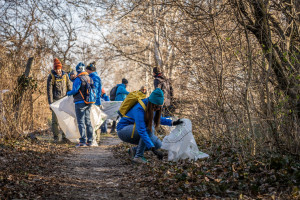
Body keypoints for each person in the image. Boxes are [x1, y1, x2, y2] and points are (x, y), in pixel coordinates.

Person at [116, 88, 183, 164]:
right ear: (152, 103)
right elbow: (142, 130)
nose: (158, 109)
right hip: (123, 130)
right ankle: (138, 157)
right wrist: (152, 149)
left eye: (159, 107)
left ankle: (134, 150)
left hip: (134, 130)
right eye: (157, 107)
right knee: (149, 129)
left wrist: (173, 122)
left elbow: (158, 119)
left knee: (158, 144)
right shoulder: (139, 108)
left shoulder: (151, 107)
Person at [67, 62, 94, 147]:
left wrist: (68, 93)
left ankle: (82, 141)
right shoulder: (89, 78)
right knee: (88, 121)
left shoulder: (78, 79)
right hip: (89, 102)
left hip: (80, 103)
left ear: (77, 70)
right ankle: (90, 141)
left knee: (81, 122)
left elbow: (75, 90)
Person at [47, 58, 72, 143]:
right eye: (56, 69)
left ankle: (65, 137)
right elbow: (49, 90)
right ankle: (56, 137)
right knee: (55, 120)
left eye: (59, 69)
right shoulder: (51, 76)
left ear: (61, 68)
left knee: (65, 119)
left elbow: (69, 87)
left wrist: (70, 99)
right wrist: (50, 103)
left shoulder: (65, 76)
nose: (58, 70)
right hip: (55, 100)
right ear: (54, 69)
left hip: (64, 100)